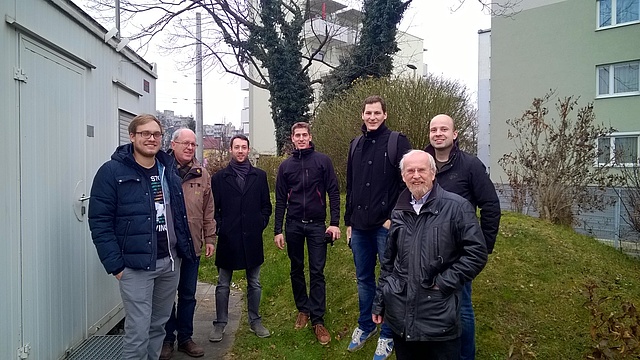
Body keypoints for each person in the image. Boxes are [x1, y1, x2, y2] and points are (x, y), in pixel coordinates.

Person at [88, 114, 195, 360]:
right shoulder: (111, 172)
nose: (151, 138)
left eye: (156, 134)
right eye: (145, 133)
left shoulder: (167, 168)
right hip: (135, 266)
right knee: (137, 331)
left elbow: (176, 212)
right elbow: (100, 221)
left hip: (169, 263)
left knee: (158, 326)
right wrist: (115, 264)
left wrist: (181, 252)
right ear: (133, 136)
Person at [372, 150, 488, 360]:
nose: (416, 175)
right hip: (401, 316)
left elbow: (476, 253)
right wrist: (380, 301)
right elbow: (388, 262)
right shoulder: (398, 211)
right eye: (410, 171)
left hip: (439, 318)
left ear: (433, 173)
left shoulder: (457, 207)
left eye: (421, 170)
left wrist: (444, 283)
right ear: (403, 176)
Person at [424, 114, 501, 360]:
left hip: (458, 254)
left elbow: (490, 205)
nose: (438, 133)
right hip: (426, 250)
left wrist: (484, 246)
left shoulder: (470, 165)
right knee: (431, 304)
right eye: (434, 129)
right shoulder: (423, 164)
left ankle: (465, 356)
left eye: (444, 129)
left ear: (454, 134)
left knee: (462, 308)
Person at [345, 95, 411, 360]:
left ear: (385, 115)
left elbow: (408, 181)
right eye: (367, 113)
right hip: (359, 227)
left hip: (386, 226)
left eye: (376, 113)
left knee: (390, 281)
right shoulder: (355, 145)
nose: (372, 117)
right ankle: (366, 325)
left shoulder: (397, 141)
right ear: (362, 115)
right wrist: (348, 222)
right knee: (363, 280)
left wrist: (392, 217)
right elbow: (349, 186)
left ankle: (388, 334)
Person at [274, 122, 341, 345]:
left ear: (310, 137)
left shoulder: (323, 161)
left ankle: (318, 320)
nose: (301, 139)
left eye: (305, 135)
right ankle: (303, 308)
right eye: (297, 135)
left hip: (316, 225)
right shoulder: (286, 167)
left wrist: (333, 222)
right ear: (292, 138)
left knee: (317, 271)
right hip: (293, 224)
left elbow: (333, 191)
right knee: (296, 268)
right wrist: (277, 230)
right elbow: (281, 199)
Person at [209, 134, 272, 342]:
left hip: (252, 238)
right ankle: (220, 323)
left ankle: (255, 320)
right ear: (230, 149)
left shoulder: (259, 176)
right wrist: (221, 227)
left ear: (248, 149)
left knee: (254, 283)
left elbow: (266, 206)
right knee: (223, 284)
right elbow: (213, 208)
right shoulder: (219, 178)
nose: (240, 151)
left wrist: (259, 223)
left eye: (244, 147)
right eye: (237, 147)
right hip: (228, 238)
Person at [161, 128, 216, 359]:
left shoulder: (201, 174)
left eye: (193, 144)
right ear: (172, 144)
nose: (190, 148)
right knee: (164, 296)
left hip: (192, 244)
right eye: (185, 143)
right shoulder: (160, 170)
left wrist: (210, 237)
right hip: (166, 246)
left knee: (187, 294)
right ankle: (166, 339)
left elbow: (208, 210)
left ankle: (185, 338)